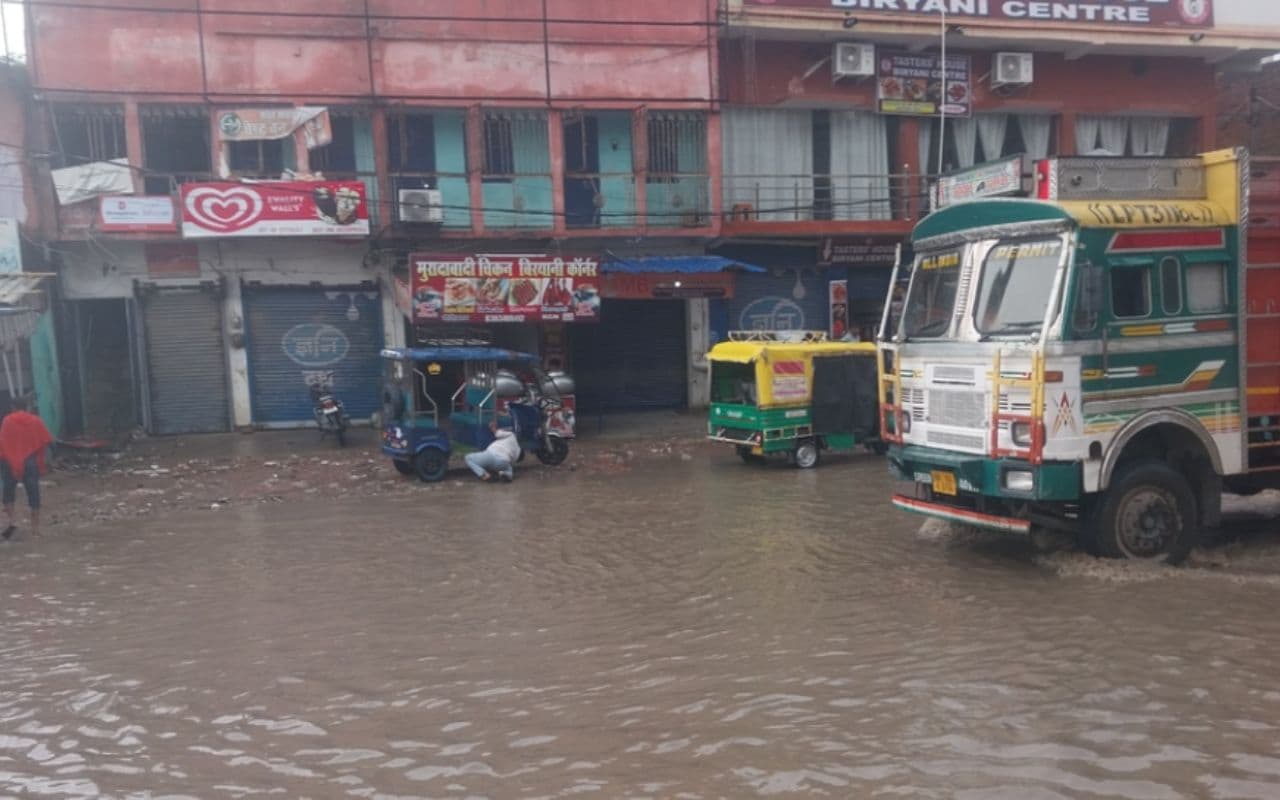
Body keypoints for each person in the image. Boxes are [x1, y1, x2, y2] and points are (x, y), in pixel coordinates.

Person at [0, 398, 54, 539]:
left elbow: (3, 442)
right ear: (27, 407)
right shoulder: (35, 420)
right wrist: (46, 461)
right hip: (30, 461)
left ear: (13, 407)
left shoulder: (7, 421)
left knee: (8, 493)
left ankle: (13, 522)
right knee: (33, 493)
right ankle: (35, 529)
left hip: (9, 461)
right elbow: (47, 440)